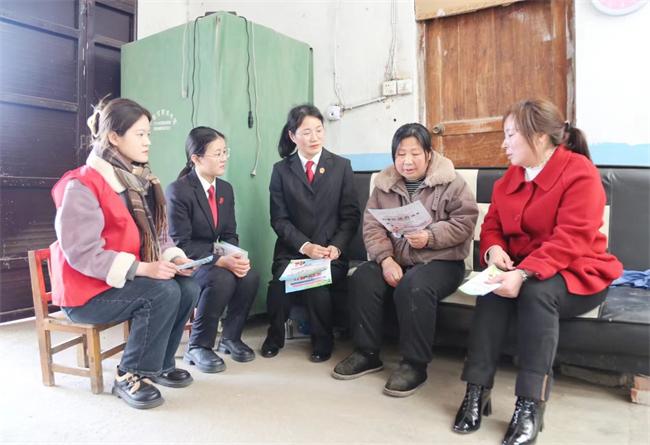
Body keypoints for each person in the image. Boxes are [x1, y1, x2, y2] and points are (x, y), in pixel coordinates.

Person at [452, 99, 623, 444]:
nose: (504, 144)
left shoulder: (580, 173)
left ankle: (530, 404)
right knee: (492, 292)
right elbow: (492, 225)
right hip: (524, 268)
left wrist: (524, 273)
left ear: (540, 137)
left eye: (511, 135)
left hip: (578, 272)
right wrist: (495, 250)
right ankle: (476, 390)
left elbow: (571, 239)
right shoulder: (509, 178)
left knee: (536, 293)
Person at [50, 97, 200, 409]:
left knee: (187, 286)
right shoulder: (81, 184)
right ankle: (129, 375)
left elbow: (157, 236)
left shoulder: (138, 182)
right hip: (86, 294)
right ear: (114, 137)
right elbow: (82, 253)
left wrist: (174, 259)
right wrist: (145, 269)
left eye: (149, 134)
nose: (148, 142)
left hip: (118, 283)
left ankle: (159, 364)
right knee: (162, 293)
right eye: (140, 134)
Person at [331, 123, 479, 397]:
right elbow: (372, 227)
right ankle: (366, 353)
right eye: (400, 154)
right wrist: (386, 259)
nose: (407, 161)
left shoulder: (451, 182)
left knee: (414, 286)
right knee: (363, 277)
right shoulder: (384, 185)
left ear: (429, 154)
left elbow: (465, 222)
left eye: (414, 153)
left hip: (442, 261)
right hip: (397, 259)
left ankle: (414, 364)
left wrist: (430, 236)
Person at [260, 104, 361, 362]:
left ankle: (322, 341)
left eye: (318, 130)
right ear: (292, 136)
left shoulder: (341, 166)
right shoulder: (281, 170)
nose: (314, 137)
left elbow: (350, 216)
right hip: (293, 252)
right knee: (278, 285)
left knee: (316, 284)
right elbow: (279, 219)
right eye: (306, 132)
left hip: (330, 253)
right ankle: (274, 337)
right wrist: (305, 246)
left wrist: (335, 247)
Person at [166, 127, 260, 373]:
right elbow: (182, 243)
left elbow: (229, 234)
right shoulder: (179, 190)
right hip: (188, 262)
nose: (224, 158)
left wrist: (235, 257)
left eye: (225, 152)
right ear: (196, 158)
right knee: (221, 278)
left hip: (214, 258)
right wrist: (219, 260)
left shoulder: (225, 189)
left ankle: (230, 338)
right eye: (217, 153)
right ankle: (198, 345)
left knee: (249, 275)